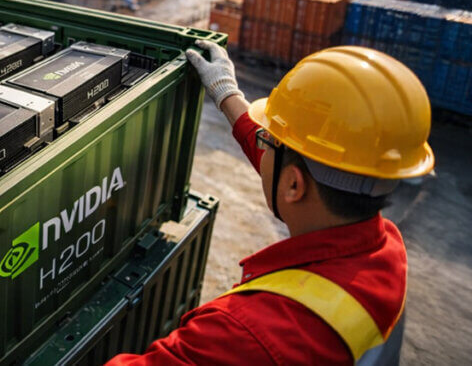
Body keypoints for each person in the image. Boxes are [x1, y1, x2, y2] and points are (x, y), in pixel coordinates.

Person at [108, 41, 433, 365]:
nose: (262, 148)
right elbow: (294, 166)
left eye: (269, 140)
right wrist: (227, 94)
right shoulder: (387, 251)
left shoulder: (246, 334)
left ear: (293, 185)